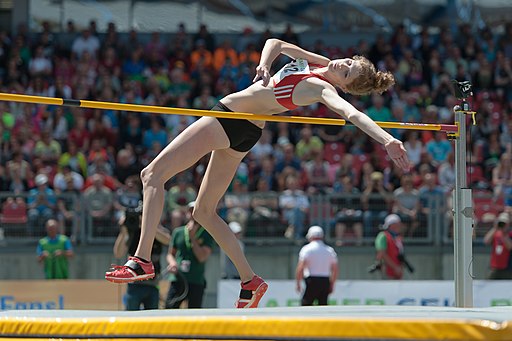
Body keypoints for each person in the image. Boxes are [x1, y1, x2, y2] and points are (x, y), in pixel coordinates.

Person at [105, 38, 410, 308]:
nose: (342, 65)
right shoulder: (317, 63)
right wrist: (264, 65)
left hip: (229, 118)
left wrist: (387, 140)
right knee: (203, 212)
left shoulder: (322, 87)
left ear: (343, 85)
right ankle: (250, 282)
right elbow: (275, 43)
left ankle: (141, 259)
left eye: (346, 72)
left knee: (151, 175)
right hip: (246, 130)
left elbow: (351, 114)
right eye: (349, 62)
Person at [113, 200, 171, 310]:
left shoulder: (157, 229)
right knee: (131, 318)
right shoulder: (133, 232)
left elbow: (167, 240)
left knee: (151, 320)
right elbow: (118, 253)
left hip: (153, 284)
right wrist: (124, 231)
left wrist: (149, 226)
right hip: (134, 284)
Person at [164, 201, 214, 309]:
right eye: (191, 211)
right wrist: (172, 263)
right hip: (178, 279)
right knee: (169, 309)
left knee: (194, 314)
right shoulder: (178, 232)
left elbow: (202, 257)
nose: (192, 214)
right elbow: (170, 254)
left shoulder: (207, 234)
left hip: (196, 280)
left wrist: (192, 238)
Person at [295, 226, 338, 306]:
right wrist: (332, 284)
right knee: (323, 306)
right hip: (325, 280)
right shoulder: (329, 250)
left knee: (305, 306)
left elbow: (301, 267)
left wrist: (298, 283)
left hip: (312, 280)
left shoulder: (306, 249)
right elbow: (335, 269)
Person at [372, 214, 406, 280]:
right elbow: (382, 253)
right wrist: (395, 267)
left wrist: (399, 268)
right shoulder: (382, 236)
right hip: (387, 272)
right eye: (398, 224)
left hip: (397, 273)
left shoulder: (397, 238)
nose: (400, 226)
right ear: (392, 225)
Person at [483, 212, 512, 279]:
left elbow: (509, 246)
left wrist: (504, 233)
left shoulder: (510, 234)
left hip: (507, 269)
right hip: (494, 268)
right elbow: (486, 241)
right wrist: (495, 228)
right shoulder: (495, 233)